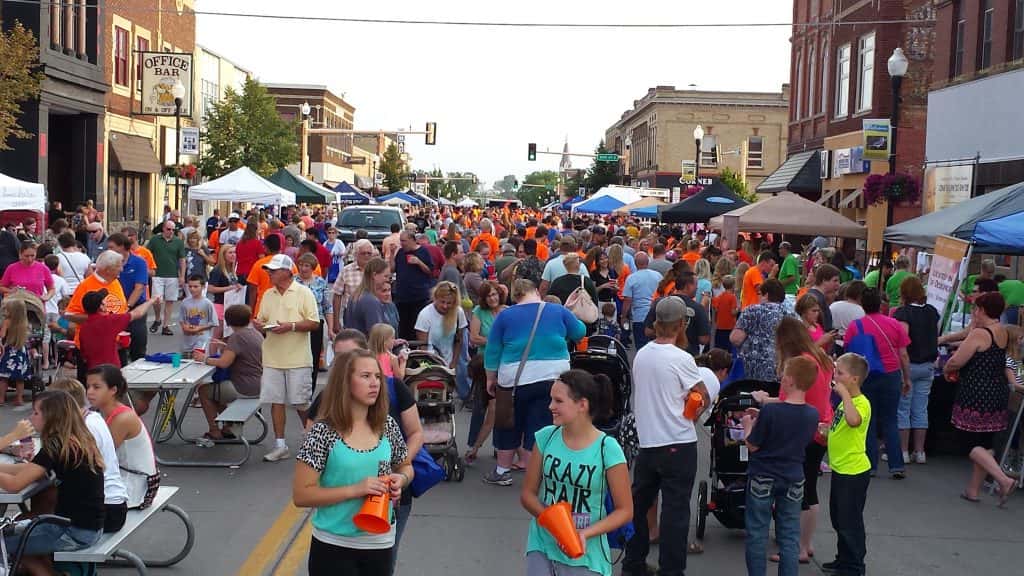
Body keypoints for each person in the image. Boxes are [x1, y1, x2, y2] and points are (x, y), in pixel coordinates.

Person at [293, 349, 413, 576]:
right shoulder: (323, 431)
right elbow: (301, 495)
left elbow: (405, 466)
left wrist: (402, 479)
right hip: (334, 543)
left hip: (380, 541)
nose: (375, 383)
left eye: (377, 376)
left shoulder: (386, 425)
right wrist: (355, 489)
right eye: (365, 376)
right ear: (345, 382)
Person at [623, 297, 709, 576]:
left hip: (648, 443)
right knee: (675, 510)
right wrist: (692, 414)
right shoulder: (682, 359)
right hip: (678, 442)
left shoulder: (643, 355)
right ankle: (671, 570)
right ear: (681, 324)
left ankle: (633, 563)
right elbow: (702, 396)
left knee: (640, 504)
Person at [521, 370, 633, 576]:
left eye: (558, 401)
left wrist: (583, 534)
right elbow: (527, 494)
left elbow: (625, 510)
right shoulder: (545, 438)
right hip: (541, 546)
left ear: (582, 405)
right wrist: (552, 522)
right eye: (551, 399)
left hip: (585, 555)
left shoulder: (608, 449)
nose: (550, 406)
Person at [484, 279, 586, 486]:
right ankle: (535, 474)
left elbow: (493, 349)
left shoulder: (505, 316)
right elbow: (579, 332)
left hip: (514, 379)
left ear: (515, 296)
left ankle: (502, 470)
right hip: (553, 376)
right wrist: (568, 313)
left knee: (508, 422)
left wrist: (490, 377)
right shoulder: (558, 311)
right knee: (541, 424)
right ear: (537, 293)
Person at [753, 317, 835, 565]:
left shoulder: (799, 365)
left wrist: (764, 401)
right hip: (821, 426)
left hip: (802, 429)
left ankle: (797, 547)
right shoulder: (821, 357)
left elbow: (789, 399)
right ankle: (806, 544)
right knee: (810, 488)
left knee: (798, 492)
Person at [0, 390, 105, 574]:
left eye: (36, 413)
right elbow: (31, 470)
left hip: (73, 531)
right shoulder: (74, 440)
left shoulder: (55, 446)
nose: (31, 417)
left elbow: (14, 485)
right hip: (89, 526)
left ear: (51, 417)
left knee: (4, 543)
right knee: (19, 540)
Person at [742, 356, 820, 576]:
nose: (781, 378)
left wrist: (748, 425)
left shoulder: (771, 411)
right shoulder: (812, 414)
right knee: (789, 533)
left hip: (763, 475)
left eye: (785, 374)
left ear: (792, 381)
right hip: (794, 476)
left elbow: (753, 445)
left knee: (757, 532)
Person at [942, 291, 1017, 505]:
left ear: (983, 310)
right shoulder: (1002, 331)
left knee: (967, 443)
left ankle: (1003, 479)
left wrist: (947, 368)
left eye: (976, 308)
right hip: (997, 393)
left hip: (976, 394)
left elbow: (957, 360)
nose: (974, 312)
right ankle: (973, 490)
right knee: (984, 443)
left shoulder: (980, 334)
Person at [254, 254, 321, 462]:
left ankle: (314, 440)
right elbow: (262, 319)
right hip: (272, 356)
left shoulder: (303, 293)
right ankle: (280, 445)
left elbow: (314, 322)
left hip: (298, 358)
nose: (269, 273)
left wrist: (290, 326)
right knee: (276, 401)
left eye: (273, 271)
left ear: (286, 272)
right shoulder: (268, 294)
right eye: (269, 271)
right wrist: (259, 324)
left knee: (301, 402)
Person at [843, 288, 911, 478]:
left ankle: (870, 465)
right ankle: (896, 464)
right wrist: (907, 378)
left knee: (868, 420)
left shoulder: (855, 326)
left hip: (867, 374)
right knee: (890, 419)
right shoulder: (895, 324)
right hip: (891, 374)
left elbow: (849, 352)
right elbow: (903, 354)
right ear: (881, 304)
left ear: (862, 305)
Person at [49, 377, 129, 533]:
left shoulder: (82, 429)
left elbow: (36, 474)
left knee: (40, 511)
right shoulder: (93, 417)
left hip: (104, 511)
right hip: (114, 503)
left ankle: (45, 555)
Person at [824, 353, 872, 576]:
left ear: (854, 379)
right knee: (838, 517)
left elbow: (854, 421)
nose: (836, 376)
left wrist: (844, 395)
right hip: (841, 468)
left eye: (840, 373)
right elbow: (842, 425)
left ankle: (854, 566)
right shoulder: (846, 404)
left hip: (853, 471)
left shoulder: (860, 403)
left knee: (849, 520)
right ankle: (843, 559)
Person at [85, 365, 159, 510]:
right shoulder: (102, 412)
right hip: (126, 478)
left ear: (113, 390)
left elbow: (100, 456)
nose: (89, 392)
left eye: (96, 387)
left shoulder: (122, 418)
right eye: (88, 386)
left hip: (135, 488)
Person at [193, 304, 264, 441]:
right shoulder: (256, 334)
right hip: (260, 384)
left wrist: (204, 358)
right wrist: (228, 347)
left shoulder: (236, 337)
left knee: (203, 390)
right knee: (216, 391)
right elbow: (246, 352)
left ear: (228, 321)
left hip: (242, 386)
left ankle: (214, 430)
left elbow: (224, 362)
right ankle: (229, 426)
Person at [892, 276, 940, 465]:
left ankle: (903, 451)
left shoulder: (903, 313)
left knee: (903, 408)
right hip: (927, 365)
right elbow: (935, 335)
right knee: (921, 409)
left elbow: (902, 342)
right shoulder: (932, 312)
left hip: (909, 365)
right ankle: (920, 452)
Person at [466, 281, 506, 464]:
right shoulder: (478, 312)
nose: (493, 298)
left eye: (495, 294)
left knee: (501, 408)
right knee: (482, 406)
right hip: (485, 363)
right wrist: (495, 341)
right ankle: (473, 444)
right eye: (489, 295)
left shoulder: (507, 311)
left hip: (505, 363)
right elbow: (474, 338)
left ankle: (500, 446)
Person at [77, 288, 158, 371]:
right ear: (101, 307)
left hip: (93, 370)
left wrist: (116, 345)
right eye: (104, 302)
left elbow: (88, 352)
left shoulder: (84, 328)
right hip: (110, 371)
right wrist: (151, 301)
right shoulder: (109, 321)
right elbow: (137, 313)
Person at [731, 279, 790, 382]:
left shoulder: (752, 311)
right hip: (780, 369)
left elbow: (736, 339)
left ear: (766, 295)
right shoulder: (790, 315)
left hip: (751, 369)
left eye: (759, 294)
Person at [106, 233, 150, 362]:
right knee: (118, 345)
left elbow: (139, 287)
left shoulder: (139, 262)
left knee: (138, 342)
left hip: (135, 307)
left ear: (122, 247)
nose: (109, 250)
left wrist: (127, 306)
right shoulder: (108, 264)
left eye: (111, 247)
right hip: (114, 308)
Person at [296, 253, 334, 390]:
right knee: (299, 358)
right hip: (298, 325)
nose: (303, 268)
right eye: (301, 265)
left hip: (316, 324)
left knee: (314, 358)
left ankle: (310, 389)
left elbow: (327, 307)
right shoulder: (293, 282)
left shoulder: (320, 282)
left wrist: (330, 328)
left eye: (306, 265)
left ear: (312, 267)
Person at [146, 219, 186, 336]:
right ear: (163, 229)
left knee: (170, 301)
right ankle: (158, 318)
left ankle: (166, 325)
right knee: (157, 300)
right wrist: (149, 269)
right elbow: (147, 254)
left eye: (173, 230)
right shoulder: (155, 240)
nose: (171, 232)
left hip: (172, 275)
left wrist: (182, 276)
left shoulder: (178, 242)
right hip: (157, 274)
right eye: (169, 229)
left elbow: (182, 260)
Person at [392, 231, 435, 341]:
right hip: (402, 297)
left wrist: (419, 262)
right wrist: (392, 254)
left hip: (419, 297)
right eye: (400, 241)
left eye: (404, 241)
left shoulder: (423, 252)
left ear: (412, 240)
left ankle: (417, 351)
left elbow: (430, 271)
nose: (401, 244)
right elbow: (392, 269)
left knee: (417, 327)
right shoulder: (401, 252)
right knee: (403, 328)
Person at [415, 281, 467, 369]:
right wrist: (426, 367)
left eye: (449, 303)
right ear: (435, 298)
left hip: (449, 363)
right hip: (430, 363)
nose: (445, 306)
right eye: (442, 302)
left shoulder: (458, 312)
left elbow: (459, 340)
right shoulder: (424, 314)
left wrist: (454, 363)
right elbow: (422, 346)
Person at [332, 239, 376, 333]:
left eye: (369, 253)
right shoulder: (346, 270)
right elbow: (337, 295)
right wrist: (336, 322)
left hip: (374, 312)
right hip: (351, 314)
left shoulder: (378, 270)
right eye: (363, 253)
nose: (366, 256)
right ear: (356, 254)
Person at [622, 252, 662, 350]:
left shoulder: (631, 278)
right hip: (656, 316)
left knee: (641, 347)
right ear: (648, 262)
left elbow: (628, 300)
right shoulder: (658, 276)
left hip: (639, 316)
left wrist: (623, 316)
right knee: (656, 346)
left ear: (635, 264)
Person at [344, 258, 391, 337]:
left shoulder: (355, 295)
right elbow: (376, 335)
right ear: (374, 275)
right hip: (367, 347)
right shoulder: (371, 301)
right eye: (385, 276)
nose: (387, 280)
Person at [0, 298, 32, 406]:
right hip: (20, 351)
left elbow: (2, 335)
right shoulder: (25, 323)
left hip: (9, 351)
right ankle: (19, 398)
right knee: (20, 379)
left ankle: (1, 398)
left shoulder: (7, 322)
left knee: (4, 377)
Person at [179, 275, 217, 355]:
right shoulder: (184, 302)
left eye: (196, 286)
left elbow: (213, 322)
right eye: (190, 286)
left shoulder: (207, 303)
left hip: (202, 340)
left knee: (198, 363)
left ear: (203, 287)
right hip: (187, 341)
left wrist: (199, 328)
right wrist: (184, 327)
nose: (192, 289)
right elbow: (182, 319)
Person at [830, 280, 866, 349]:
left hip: (832, 343)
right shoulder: (861, 311)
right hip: (849, 346)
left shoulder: (833, 305)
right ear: (861, 296)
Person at [712, 275, 738, 351]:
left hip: (719, 326)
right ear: (733, 285)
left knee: (719, 348)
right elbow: (733, 312)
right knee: (729, 349)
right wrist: (738, 310)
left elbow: (715, 308)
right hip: (729, 326)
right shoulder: (732, 297)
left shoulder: (720, 296)